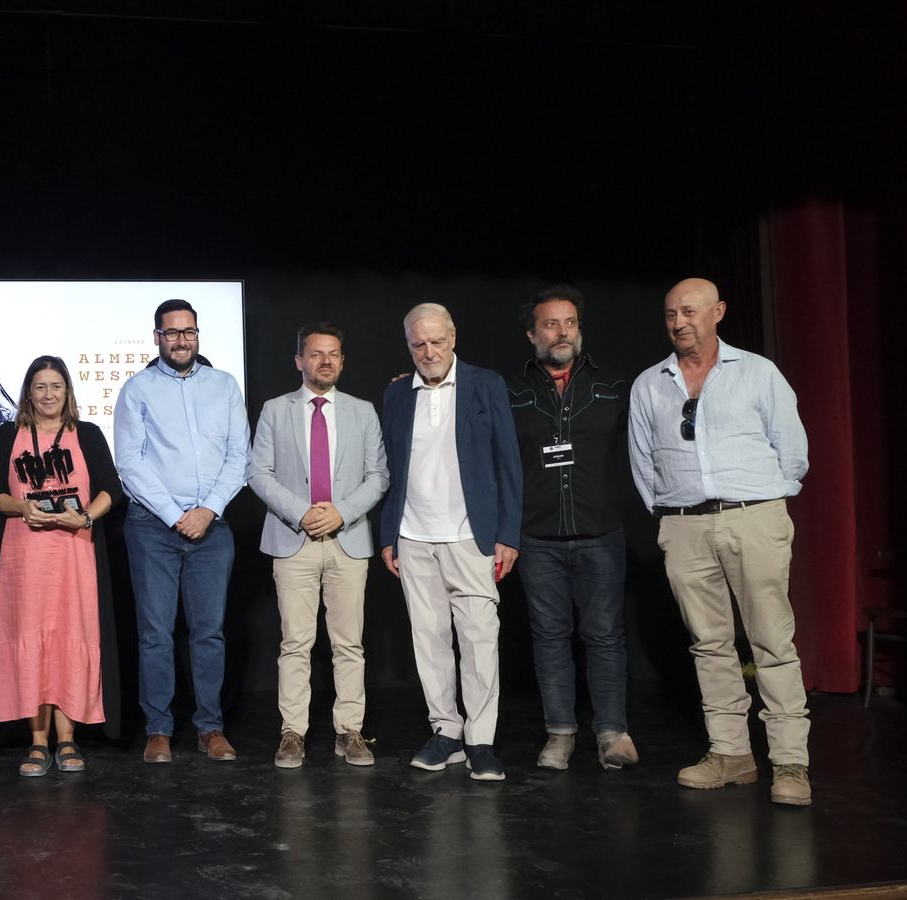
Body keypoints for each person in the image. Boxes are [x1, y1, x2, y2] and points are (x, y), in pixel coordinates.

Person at [628, 277, 812, 806]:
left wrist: (762, 499)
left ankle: (790, 762)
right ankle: (731, 753)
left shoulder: (757, 372)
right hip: (684, 525)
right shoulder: (650, 385)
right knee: (708, 644)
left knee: (771, 642)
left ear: (718, 312)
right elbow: (643, 464)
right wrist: (671, 514)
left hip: (753, 517)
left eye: (688, 311)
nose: (678, 322)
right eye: (670, 314)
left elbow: (792, 452)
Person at [380, 302, 522, 781]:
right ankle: (447, 733)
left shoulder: (486, 384)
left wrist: (508, 533)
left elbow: (508, 464)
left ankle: (481, 740)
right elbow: (391, 472)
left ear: (454, 337)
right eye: (418, 344)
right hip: (413, 537)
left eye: (437, 341)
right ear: (408, 346)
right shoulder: (398, 395)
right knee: (430, 640)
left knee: (480, 640)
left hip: (470, 536)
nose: (429, 351)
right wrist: (389, 535)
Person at [505, 287, 639, 772]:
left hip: (601, 532)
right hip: (536, 537)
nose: (562, 332)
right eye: (550, 324)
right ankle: (560, 733)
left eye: (570, 323)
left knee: (604, 634)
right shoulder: (509, 392)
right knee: (549, 636)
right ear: (531, 334)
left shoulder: (615, 385)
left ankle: (612, 733)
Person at [247, 323, 389, 769]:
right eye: (315, 353)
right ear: (299, 361)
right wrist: (300, 512)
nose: (325, 361)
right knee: (295, 642)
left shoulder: (363, 411)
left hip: (347, 540)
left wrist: (342, 512)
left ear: (342, 361)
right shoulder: (275, 409)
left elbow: (379, 475)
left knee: (349, 644)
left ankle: (350, 732)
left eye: (333, 354)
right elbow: (258, 473)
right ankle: (293, 732)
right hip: (295, 539)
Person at [115, 299, 250, 764]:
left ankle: (210, 727)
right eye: (171, 333)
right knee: (155, 633)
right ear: (157, 337)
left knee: (209, 632)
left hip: (212, 528)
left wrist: (208, 510)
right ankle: (158, 730)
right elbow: (129, 463)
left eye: (188, 331)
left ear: (198, 334)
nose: (180, 340)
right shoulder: (136, 390)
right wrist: (176, 515)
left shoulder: (225, 386)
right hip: (153, 527)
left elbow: (239, 457)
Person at [0, 356, 123, 776]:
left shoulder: (88, 434)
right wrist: (21, 507)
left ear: (68, 392)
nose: (48, 394)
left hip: (73, 554)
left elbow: (110, 491)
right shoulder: (8, 434)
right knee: (31, 642)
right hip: (23, 558)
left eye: (56, 386)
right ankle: (37, 741)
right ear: (28, 391)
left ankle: (67, 740)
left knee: (68, 639)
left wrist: (84, 517)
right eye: (40, 386)